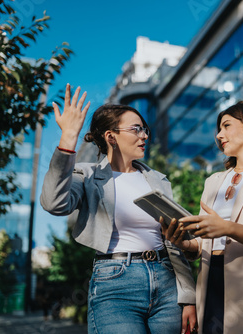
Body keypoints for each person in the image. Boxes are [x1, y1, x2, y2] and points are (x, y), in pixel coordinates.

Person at [40, 84, 197, 334]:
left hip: (167, 283)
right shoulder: (86, 174)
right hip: (116, 284)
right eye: (136, 129)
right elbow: (53, 203)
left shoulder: (157, 179)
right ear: (110, 136)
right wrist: (68, 138)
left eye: (144, 129)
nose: (144, 135)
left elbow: (173, 243)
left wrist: (189, 296)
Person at [162, 101, 243, 334]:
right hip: (211, 279)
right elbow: (203, 241)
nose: (218, 135)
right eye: (218, 128)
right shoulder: (213, 181)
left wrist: (226, 228)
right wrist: (183, 242)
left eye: (226, 125)